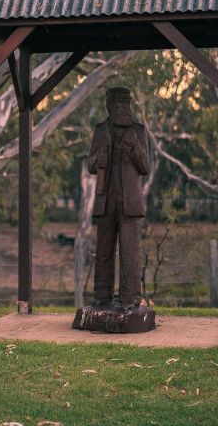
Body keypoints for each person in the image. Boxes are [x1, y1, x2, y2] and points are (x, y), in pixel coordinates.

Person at [87, 87, 150, 311]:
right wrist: (98, 160)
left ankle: (130, 298)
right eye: (115, 105)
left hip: (130, 202)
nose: (120, 109)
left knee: (129, 251)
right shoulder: (100, 130)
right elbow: (90, 164)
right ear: (108, 107)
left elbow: (145, 167)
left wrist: (133, 148)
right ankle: (101, 296)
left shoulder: (138, 131)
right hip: (106, 200)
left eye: (124, 105)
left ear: (129, 106)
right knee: (103, 250)